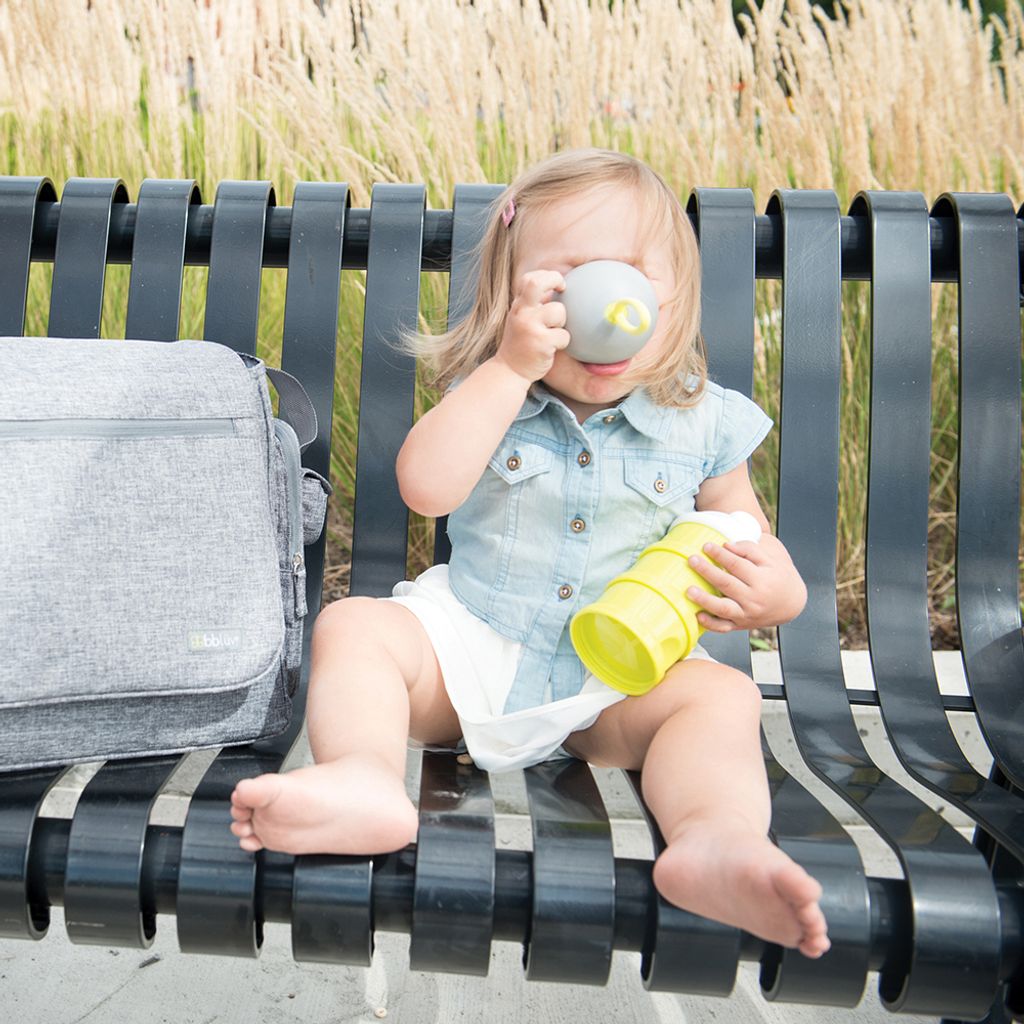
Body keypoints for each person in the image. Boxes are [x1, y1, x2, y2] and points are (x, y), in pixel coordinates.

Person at [230, 149, 829, 958]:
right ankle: (362, 781)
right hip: (471, 644)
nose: (603, 308)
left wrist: (777, 593)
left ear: (675, 298)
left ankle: (716, 841)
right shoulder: (493, 392)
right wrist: (511, 367)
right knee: (354, 626)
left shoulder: (706, 421)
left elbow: (744, 535)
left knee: (719, 700)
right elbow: (427, 489)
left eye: (631, 279)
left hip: (613, 681)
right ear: (513, 300)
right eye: (568, 282)